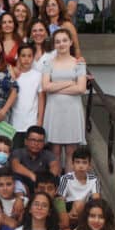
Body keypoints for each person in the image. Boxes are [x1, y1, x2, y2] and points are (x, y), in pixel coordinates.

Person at [42, 28, 87, 173]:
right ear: (54, 44)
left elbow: (81, 89)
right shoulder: (48, 63)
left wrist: (56, 88)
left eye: (64, 40)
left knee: (70, 152)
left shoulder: (79, 63)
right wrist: (69, 83)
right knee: (54, 151)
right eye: (58, 41)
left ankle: (66, 189)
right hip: (54, 110)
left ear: (71, 42)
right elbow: (45, 86)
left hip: (72, 110)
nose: (61, 44)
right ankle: (54, 189)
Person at [10, 45, 46, 149]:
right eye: (23, 56)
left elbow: (41, 99)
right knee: (16, 153)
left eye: (29, 56)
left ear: (33, 57)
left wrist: (39, 121)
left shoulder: (38, 75)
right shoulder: (13, 75)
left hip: (32, 122)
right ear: (18, 57)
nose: (26, 59)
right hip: (14, 123)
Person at [58, 145, 100, 225]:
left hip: (86, 208)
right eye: (77, 162)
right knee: (77, 204)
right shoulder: (66, 178)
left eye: (84, 163)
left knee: (82, 205)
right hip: (69, 207)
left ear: (89, 166)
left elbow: (96, 199)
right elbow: (60, 200)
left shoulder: (94, 179)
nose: (81, 166)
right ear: (72, 164)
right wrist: (66, 215)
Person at [11, 125, 60, 191]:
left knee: (56, 180)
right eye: (33, 140)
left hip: (42, 184)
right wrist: (33, 176)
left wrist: (47, 180)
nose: (36, 144)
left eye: (40, 141)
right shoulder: (18, 152)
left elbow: (54, 166)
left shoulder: (47, 154)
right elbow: (15, 166)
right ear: (26, 141)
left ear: (44, 143)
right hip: (24, 182)